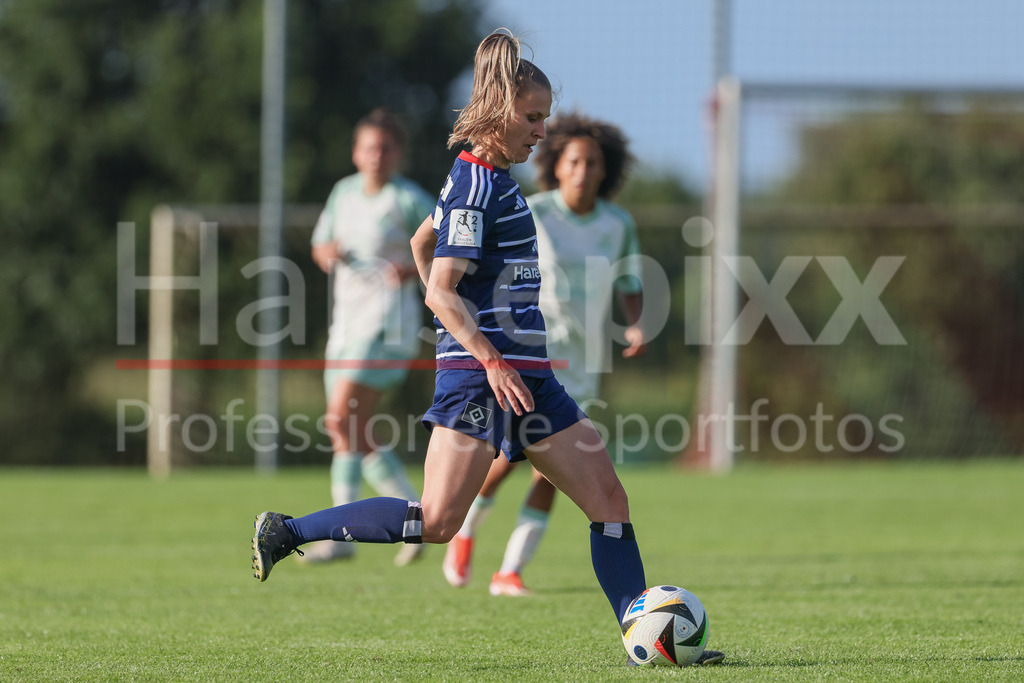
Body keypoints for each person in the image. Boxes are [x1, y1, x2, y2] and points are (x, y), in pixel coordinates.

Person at [251, 30, 723, 666]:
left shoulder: (488, 179)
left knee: (609, 500)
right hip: (484, 380)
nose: (540, 131)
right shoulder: (477, 185)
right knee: (439, 521)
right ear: (500, 112)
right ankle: (290, 531)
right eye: (532, 118)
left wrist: (492, 347)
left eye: (545, 118)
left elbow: (422, 247)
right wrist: (484, 355)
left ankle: (648, 644)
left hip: (531, 378)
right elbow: (441, 289)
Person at [442, 112, 649, 597]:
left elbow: (630, 281)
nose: (582, 170)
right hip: (532, 350)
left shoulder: (618, 225)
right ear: (557, 165)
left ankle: (509, 569)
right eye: (573, 160)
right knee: (509, 458)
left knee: (554, 473)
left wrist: (636, 320)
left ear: (605, 170)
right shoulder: (531, 208)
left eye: (592, 162)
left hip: (584, 358)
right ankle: (466, 529)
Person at [303, 108, 435, 567]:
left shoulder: (409, 199)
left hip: (388, 325)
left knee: (341, 418)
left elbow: (444, 247)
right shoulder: (343, 193)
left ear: (398, 153)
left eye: (385, 147)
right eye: (368, 147)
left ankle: (339, 536)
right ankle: (419, 518)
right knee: (353, 432)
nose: (376, 155)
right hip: (348, 325)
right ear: (356, 152)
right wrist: (327, 252)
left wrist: (413, 268)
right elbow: (320, 244)